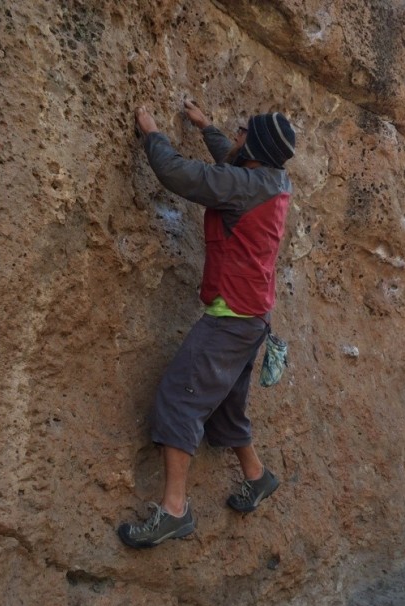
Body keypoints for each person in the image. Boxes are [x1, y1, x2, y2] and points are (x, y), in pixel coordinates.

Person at [117, 99, 296, 549]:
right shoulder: (272, 181)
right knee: (227, 405)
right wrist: (207, 127)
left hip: (230, 319)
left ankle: (175, 510)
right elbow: (232, 164)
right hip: (254, 317)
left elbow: (181, 175)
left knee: (180, 398)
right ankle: (256, 476)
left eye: (242, 132)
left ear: (253, 148)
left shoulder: (243, 184)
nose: (234, 135)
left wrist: (153, 134)